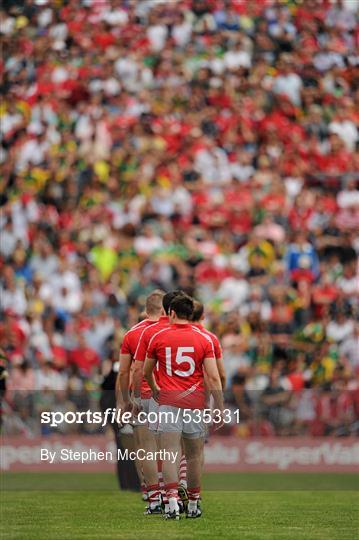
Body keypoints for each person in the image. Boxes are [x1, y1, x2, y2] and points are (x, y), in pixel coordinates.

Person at [144, 294, 224, 519]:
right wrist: (219, 405)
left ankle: (170, 502)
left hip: (168, 402)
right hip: (194, 403)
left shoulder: (159, 336)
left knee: (170, 453)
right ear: (191, 315)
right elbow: (214, 377)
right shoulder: (204, 339)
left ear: (170, 313)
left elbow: (145, 371)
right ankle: (194, 503)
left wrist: (155, 387)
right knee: (194, 456)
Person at [131, 289, 186, 514]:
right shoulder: (195, 333)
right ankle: (185, 493)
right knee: (182, 448)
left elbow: (133, 370)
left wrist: (131, 398)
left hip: (151, 396)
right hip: (184, 394)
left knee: (149, 449)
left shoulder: (142, 333)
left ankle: (157, 497)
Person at [116, 289, 165, 500]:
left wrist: (125, 401)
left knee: (142, 447)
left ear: (146, 309)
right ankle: (169, 488)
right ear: (165, 309)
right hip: (169, 396)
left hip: (142, 394)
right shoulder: (172, 331)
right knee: (169, 446)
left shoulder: (132, 334)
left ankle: (149, 491)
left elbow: (124, 371)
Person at [191, 300, 226, 390]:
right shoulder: (211, 338)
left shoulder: (177, 335)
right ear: (203, 316)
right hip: (202, 393)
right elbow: (221, 373)